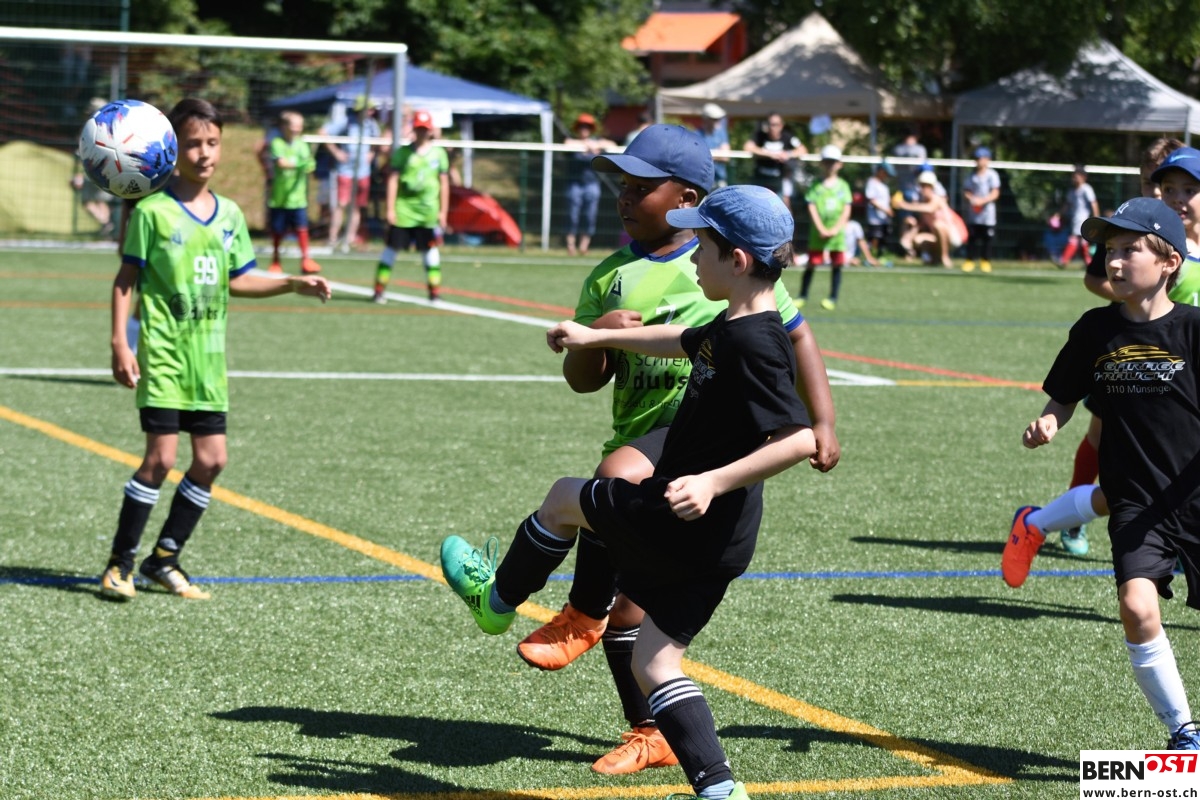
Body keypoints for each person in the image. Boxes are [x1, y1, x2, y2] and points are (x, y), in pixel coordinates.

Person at [441, 184, 818, 800]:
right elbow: (679, 340)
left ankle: (497, 600)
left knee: (565, 497)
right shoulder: (737, 325)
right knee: (655, 662)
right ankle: (721, 791)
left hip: (682, 517)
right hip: (724, 541)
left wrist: (712, 480)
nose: (693, 260)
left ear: (737, 260)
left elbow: (798, 438)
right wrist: (596, 339)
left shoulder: (754, 343)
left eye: (702, 248)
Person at [512, 124, 840, 776]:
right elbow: (589, 378)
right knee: (638, 621)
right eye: (621, 185)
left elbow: (797, 340)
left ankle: (579, 613)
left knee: (607, 488)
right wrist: (596, 335)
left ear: (687, 198)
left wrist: (824, 420)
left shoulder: (734, 280)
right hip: (657, 442)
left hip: (696, 451)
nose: (624, 197)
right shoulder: (614, 274)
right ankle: (652, 731)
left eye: (640, 186)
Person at [99, 98, 332, 602]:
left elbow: (239, 279)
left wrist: (291, 283)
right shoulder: (151, 211)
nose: (204, 153)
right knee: (159, 460)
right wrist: (120, 342)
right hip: (164, 354)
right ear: (171, 149)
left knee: (212, 460)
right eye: (192, 144)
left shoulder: (229, 214)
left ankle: (164, 558)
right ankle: (119, 564)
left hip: (208, 361)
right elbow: (125, 280)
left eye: (212, 143)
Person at [1000, 197, 1200, 751]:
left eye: (1129, 250)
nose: (1113, 261)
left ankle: (1037, 523)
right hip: (1137, 501)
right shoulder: (1094, 330)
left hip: (1194, 494)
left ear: (1169, 262)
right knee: (1137, 607)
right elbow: (1063, 396)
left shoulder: (1194, 329)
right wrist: (1049, 421)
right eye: (1110, 250)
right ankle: (1184, 734)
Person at [1056, 138, 1185, 557]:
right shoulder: (1129, 230)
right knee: (1105, 441)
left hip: (1185, 359)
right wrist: (1133, 301)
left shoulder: (1182, 238)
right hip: (1131, 352)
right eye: (1154, 184)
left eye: (1179, 188)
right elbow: (1095, 278)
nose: (1162, 194)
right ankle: (1069, 517)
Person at [373, 109, 449, 303]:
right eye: (419, 129)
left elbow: (444, 183)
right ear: (413, 129)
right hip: (404, 210)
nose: (422, 133)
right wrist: (390, 209)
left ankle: (434, 293)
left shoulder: (439, 154)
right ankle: (379, 291)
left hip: (427, 212)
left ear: (430, 130)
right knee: (391, 249)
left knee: (430, 251)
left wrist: (443, 211)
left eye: (425, 129)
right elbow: (392, 180)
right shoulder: (402, 153)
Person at [322, 97, 383, 251]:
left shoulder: (372, 125)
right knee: (341, 204)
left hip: (363, 172)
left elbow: (378, 142)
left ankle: (349, 239)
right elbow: (323, 133)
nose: (371, 112)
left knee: (356, 206)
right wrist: (336, 152)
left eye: (372, 109)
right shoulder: (346, 122)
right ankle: (333, 238)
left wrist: (371, 154)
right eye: (368, 109)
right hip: (345, 171)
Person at [796, 145, 853, 310]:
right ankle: (802, 295)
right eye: (827, 161)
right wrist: (821, 228)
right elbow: (812, 207)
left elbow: (846, 209)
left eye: (833, 162)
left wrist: (835, 229)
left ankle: (833, 297)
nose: (830, 165)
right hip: (818, 234)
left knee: (837, 264)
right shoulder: (815, 186)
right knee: (812, 263)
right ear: (822, 163)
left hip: (837, 235)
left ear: (840, 164)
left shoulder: (843, 186)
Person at [267, 109, 320, 275]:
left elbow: (309, 163)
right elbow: (281, 163)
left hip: (298, 198)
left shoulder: (302, 145)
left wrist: (310, 166)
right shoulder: (277, 143)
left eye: (300, 126)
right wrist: (300, 165)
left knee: (302, 228)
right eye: (294, 126)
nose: (297, 129)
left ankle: (306, 260)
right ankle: (275, 261)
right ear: (284, 126)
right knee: (278, 231)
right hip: (280, 197)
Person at [564, 113, 616, 257]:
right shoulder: (572, 142)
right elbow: (567, 144)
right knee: (572, 215)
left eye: (587, 126)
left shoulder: (597, 142)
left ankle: (584, 246)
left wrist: (595, 145)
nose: (584, 129)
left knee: (589, 215)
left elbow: (612, 145)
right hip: (574, 184)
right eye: (581, 126)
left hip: (592, 185)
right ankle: (570, 245)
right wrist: (585, 146)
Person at [893, 171, 963, 269]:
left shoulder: (937, 199)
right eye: (921, 186)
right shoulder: (922, 202)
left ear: (932, 187)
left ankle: (945, 257)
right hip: (936, 236)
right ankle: (934, 259)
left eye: (925, 186)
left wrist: (904, 205)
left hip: (953, 236)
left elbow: (930, 208)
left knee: (938, 225)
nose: (923, 189)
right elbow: (921, 224)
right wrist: (907, 237)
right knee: (918, 239)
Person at [743, 112, 807, 211]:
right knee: (755, 206)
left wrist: (788, 154)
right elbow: (747, 147)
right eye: (770, 124)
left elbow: (803, 150)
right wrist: (768, 154)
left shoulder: (787, 137)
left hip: (779, 180)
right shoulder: (760, 135)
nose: (772, 127)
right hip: (760, 179)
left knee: (783, 207)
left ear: (781, 125)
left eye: (775, 124)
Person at [961, 146, 1001, 273]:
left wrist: (982, 201)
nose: (979, 161)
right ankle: (969, 260)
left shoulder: (992, 175)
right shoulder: (971, 175)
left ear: (987, 159)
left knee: (987, 238)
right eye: (977, 158)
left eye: (981, 158)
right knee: (972, 237)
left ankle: (985, 261)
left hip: (987, 214)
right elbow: (966, 191)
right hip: (974, 213)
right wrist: (972, 199)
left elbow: (995, 193)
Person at [1057, 165, 1100, 268]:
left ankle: (1063, 260)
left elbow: (1093, 203)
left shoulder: (1086, 189)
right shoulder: (1072, 191)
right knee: (1082, 242)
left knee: (1074, 239)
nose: (1074, 178)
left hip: (1082, 219)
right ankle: (1089, 263)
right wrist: (1058, 215)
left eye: (1076, 176)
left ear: (1083, 177)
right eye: (1073, 176)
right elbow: (1067, 205)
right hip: (1075, 220)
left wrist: (1096, 217)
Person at [863, 160, 895, 263]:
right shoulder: (872, 183)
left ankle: (880, 257)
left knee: (883, 239)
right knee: (874, 238)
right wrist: (885, 210)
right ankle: (870, 257)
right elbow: (871, 200)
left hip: (884, 219)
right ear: (881, 171)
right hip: (875, 218)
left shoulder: (884, 185)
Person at [697, 103, 731, 188]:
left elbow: (725, 157)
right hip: (702, 181)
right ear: (706, 119)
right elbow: (697, 158)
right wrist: (717, 154)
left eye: (719, 119)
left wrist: (709, 156)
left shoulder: (721, 133)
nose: (718, 121)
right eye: (714, 119)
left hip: (720, 180)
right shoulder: (697, 134)